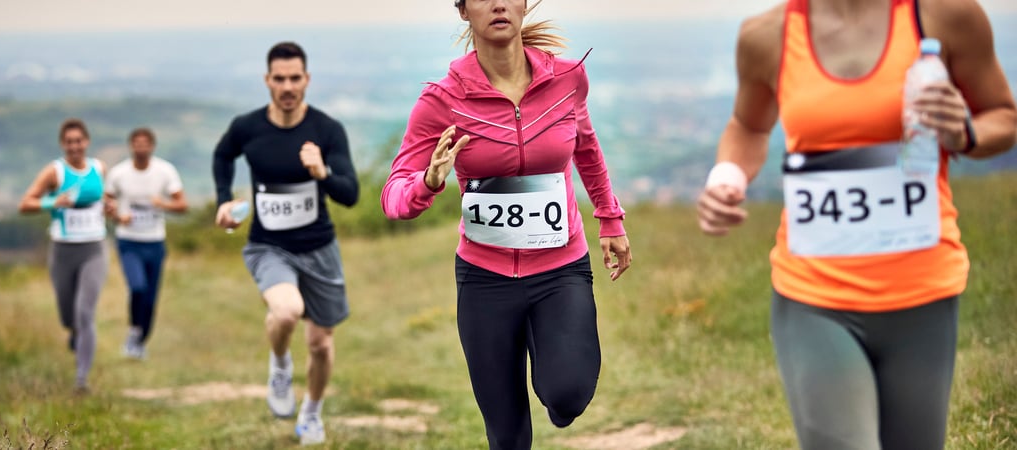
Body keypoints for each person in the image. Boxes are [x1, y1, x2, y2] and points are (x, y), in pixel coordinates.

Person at [697, 0, 1016, 448]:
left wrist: (964, 131)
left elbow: (1003, 115)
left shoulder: (947, 17)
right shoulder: (766, 35)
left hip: (922, 292)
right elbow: (748, 126)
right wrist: (726, 177)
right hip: (814, 295)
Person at [381, 1, 632, 448]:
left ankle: (553, 377)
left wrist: (610, 219)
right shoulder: (441, 100)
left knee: (567, 393)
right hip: (485, 280)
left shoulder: (567, 78)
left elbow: (586, 148)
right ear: (462, 11)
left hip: (560, 268)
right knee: (507, 434)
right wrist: (428, 180)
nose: (497, 3)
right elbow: (394, 195)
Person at [212, 41, 359, 446]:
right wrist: (224, 197)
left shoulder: (327, 130)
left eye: (295, 78)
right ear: (267, 81)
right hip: (268, 247)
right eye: (279, 79)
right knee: (287, 311)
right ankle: (279, 364)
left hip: (319, 249)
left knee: (322, 344)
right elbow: (223, 155)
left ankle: (311, 413)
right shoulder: (248, 127)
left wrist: (321, 172)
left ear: (307, 79)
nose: (288, 86)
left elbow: (350, 194)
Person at [18, 118, 112, 393]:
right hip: (63, 250)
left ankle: (81, 380)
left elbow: (104, 197)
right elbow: (25, 204)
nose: (75, 146)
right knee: (67, 315)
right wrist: (52, 201)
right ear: (63, 144)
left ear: (87, 142)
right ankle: (73, 332)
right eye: (69, 142)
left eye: (79, 141)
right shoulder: (54, 172)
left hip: (94, 248)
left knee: (85, 313)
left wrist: (109, 206)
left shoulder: (99, 168)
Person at [104, 127, 187, 360]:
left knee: (150, 297)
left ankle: (140, 340)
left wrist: (163, 204)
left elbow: (182, 205)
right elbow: (107, 203)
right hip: (128, 240)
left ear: (152, 146)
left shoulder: (164, 171)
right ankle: (133, 332)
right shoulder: (119, 173)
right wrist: (117, 216)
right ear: (130, 146)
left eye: (145, 144)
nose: (141, 148)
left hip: (155, 241)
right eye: (136, 144)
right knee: (137, 287)